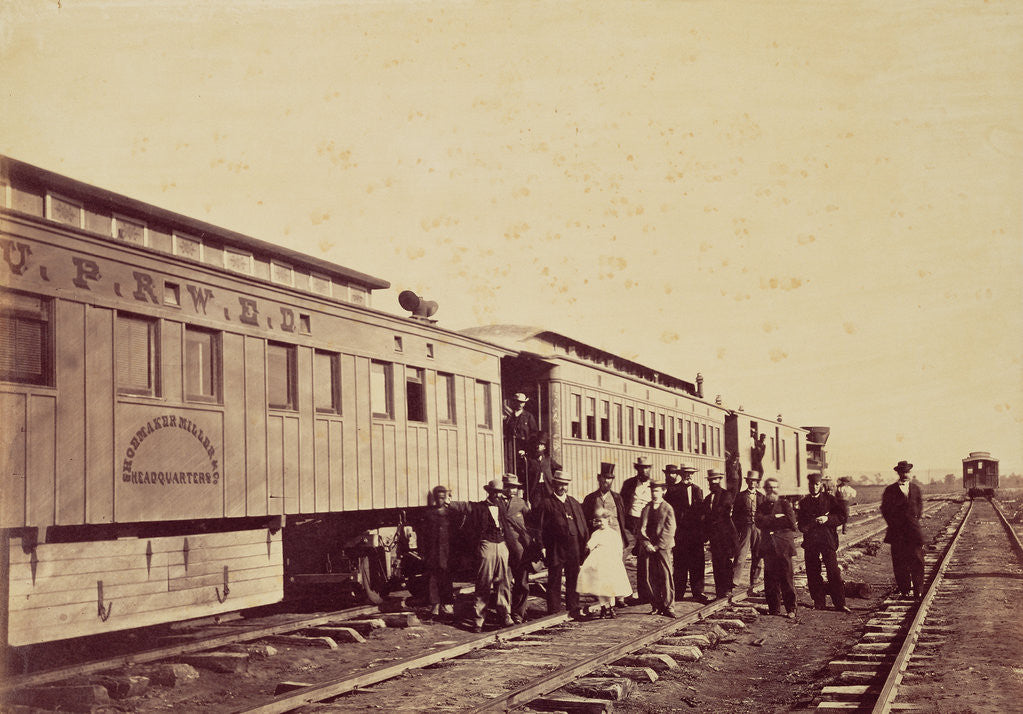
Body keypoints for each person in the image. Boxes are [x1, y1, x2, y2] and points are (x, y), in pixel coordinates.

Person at [448, 478, 517, 632]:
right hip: (487, 545)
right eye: (495, 493)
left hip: (502, 545)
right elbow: (464, 506)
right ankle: (478, 619)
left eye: (500, 492)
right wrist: (448, 501)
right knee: (484, 582)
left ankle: (505, 614)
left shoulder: (503, 506)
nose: (498, 495)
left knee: (504, 582)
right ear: (489, 492)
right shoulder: (479, 507)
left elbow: (508, 527)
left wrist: (511, 547)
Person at [535, 470, 589, 619]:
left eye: (565, 484)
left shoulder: (574, 502)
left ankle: (574, 607)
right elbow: (538, 528)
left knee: (574, 577)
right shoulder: (546, 503)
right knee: (555, 578)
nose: (562, 487)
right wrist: (542, 547)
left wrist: (585, 544)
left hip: (574, 546)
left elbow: (583, 525)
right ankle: (554, 610)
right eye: (559, 484)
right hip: (555, 546)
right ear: (553, 484)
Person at [797, 473, 851, 612]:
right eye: (811, 485)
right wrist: (810, 525)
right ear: (808, 485)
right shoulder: (804, 503)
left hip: (827, 540)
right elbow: (801, 525)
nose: (814, 487)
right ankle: (819, 602)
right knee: (813, 572)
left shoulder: (830, 500)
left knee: (833, 571)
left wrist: (828, 519)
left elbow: (842, 517)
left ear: (821, 485)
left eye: (816, 484)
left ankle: (840, 603)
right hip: (811, 542)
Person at [665, 465, 710, 603]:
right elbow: (669, 512)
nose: (688, 476)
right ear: (681, 474)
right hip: (680, 533)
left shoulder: (698, 490)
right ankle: (678, 592)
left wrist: (703, 532)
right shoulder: (672, 490)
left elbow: (702, 512)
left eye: (691, 474)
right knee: (680, 563)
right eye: (686, 474)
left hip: (695, 533)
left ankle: (698, 592)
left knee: (697, 562)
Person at [577, 507, 633, 619]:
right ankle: (603, 607)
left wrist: (617, 561)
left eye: (601, 521)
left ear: (608, 520)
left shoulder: (613, 534)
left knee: (610, 586)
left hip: (611, 561)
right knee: (600, 586)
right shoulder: (596, 533)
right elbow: (590, 546)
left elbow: (618, 548)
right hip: (599, 561)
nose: (599, 523)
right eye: (597, 521)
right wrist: (586, 547)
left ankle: (611, 607)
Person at [880, 461, 925, 599]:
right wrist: (894, 524)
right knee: (900, 562)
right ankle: (904, 590)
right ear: (898, 473)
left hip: (913, 531)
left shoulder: (916, 489)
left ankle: (918, 590)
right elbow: (885, 509)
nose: (905, 474)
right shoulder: (890, 490)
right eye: (903, 472)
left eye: (907, 472)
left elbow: (919, 506)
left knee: (917, 559)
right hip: (897, 532)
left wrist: (914, 520)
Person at [755, 477, 798, 619]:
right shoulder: (761, 506)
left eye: (774, 487)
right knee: (770, 580)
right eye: (769, 488)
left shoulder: (785, 504)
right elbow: (758, 522)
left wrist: (769, 520)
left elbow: (791, 522)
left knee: (786, 577)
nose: (772, 490)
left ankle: (791, 609)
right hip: (768, 546)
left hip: (784, 545)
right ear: (765, 489)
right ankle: (774, 609)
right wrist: (777, 518)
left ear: (778, 489)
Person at [635, 478, 677, 617]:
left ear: (663, 491)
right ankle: (656, 605)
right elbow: (640, 528)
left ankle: (669, 606)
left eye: (657, 491)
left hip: (663, 547)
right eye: (652, 490)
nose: (654, 493)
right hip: (648, 547)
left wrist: (658, 546)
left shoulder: (668, 508)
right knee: (650, 576)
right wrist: (646, 544)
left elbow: (670, 529)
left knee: (665, 575)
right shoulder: (646, 508)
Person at [419, 484, 457, 619]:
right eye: (438, 498)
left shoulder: (451, 514)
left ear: (446, 498)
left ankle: (447, 604)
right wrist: (423, 551)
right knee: (433, 579)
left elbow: (457, 535)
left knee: (447, 578)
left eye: (443, 497)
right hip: (433, 552)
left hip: (447, 552)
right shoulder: (429, 514)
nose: (440, 500)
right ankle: (435, 604)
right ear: (435, 498)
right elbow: (423, 535)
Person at [502, 473, 536, 624]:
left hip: (521, 549)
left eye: (514, 487)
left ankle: (519, 613)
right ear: (504, 487)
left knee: (522, 582)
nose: (512, 490)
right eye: (509, 487)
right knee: (504, 582)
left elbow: (532, 525)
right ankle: (505, 613)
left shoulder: (521, 503)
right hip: (503, 547)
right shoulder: (497, 503)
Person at [703, 469, 738, 599]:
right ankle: (719, 591)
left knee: (726, 562)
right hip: (714, 536)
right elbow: (705, 517)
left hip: (726, 534)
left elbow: (723, 511)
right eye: (711, 480)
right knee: (717, 563)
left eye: (715, 479)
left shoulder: (726, 495)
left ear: (719, 480)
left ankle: (728, 588)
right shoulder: (707, 499)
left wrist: (710, 518)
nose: (713, 482)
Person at [732, 471, 765, 594]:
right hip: (745, 528)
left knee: (758, 555)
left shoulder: (762, 497)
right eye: (750, 480)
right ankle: (734, 581)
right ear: (747, 482)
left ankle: (754, 581)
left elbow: (766, 514)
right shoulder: (740, 496)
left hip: (758, 529)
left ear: (757, 483)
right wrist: (737, 530)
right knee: (741, 554)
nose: (752, 482)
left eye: (754, 481)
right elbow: (735, 515)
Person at [503, 392, 538, 478]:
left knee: (523, 470)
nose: (520, 404)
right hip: (511, 447)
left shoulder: (529, 416)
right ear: (514, 402)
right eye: (517, 402)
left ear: (524, 403)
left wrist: (526, 450)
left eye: (522, 402)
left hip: (524, 448)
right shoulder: (509, 416)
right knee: (510, 468)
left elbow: (534, 434)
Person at [621, 456, 654, 542]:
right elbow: (622, 503)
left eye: (646, 467)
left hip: (648, 522)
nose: (644, 471)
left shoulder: (655, 485)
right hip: (632, 521)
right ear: (637, 469)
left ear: (650, 468)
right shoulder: (629, 483)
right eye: (641, 468)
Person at [525, 431, 559, 506]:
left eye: (541, 444)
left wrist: (553, 480)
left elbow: (559, 468)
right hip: (535, 491)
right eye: (537, 444)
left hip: (548, 490)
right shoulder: (529, 460)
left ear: (544, 447)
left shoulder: (548, 460)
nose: (538, 446)